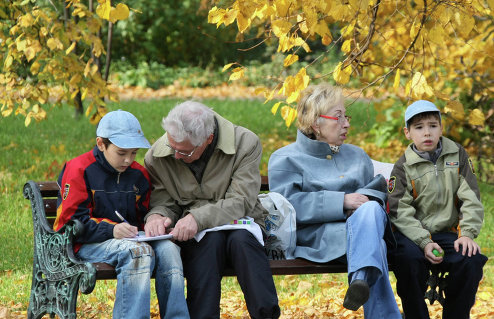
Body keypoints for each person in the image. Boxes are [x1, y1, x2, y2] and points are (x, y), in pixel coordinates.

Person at [268, 83, 401, 319]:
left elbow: (377, 194)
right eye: (338, 117)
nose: (347, 123)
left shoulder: (357, 156)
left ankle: (360, 281)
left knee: (370, 212)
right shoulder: (285, 158)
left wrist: (363, 204)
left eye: (346, 116)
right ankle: (369, 289)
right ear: (315, 123)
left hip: (362, 229)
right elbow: (287, 206)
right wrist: (342, 202)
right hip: (319, 239)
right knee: (375, 244)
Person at [143, 101, 280, 319]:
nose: (176, 156)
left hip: (242, 223)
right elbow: (164, 200)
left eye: (184, 152)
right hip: (197, 236)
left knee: (241, 241)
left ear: (207, 139)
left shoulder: (245, 142)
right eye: (172, 147)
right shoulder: (158, 156)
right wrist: (157, 216)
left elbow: (242, 201)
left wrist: (197, 218)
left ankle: (267, 315)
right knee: (208, 243)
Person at [54, 110, 189, 319]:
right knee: (138, 253)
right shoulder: (79, 169)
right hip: (84, 245)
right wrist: (112, 229)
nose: (128, 160)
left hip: (131, 241)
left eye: (134, 153)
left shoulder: (138, 174)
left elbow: (144, 215)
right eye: (121, 152)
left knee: (170, 250)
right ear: (101, 144)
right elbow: (71, 225)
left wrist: (156, 221)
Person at [387, 100, 488, 319]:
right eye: (419, 127)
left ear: (441, 128)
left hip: (447, 234)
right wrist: (424, 241)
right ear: (407, 133)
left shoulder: (457, 155)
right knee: (407, 260)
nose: (427, 133)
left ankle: (456, 315)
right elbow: (398, 211)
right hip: (413, 237)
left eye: (433, 125)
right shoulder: (403, 166)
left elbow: (470, 198)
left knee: (470, 260)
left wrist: (467, 234)